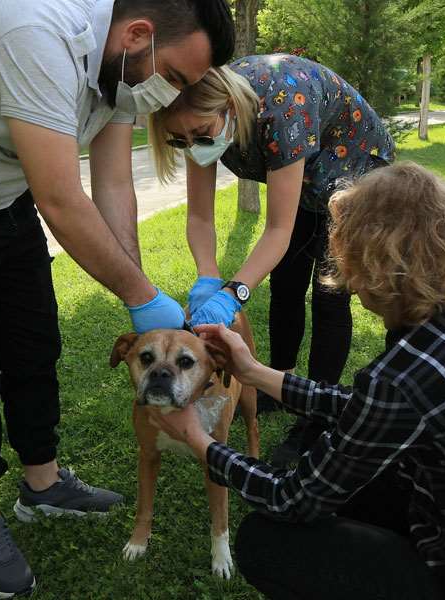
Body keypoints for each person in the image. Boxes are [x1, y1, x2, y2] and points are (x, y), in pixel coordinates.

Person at [0, 0, 234, 596]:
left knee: (35, 343)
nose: (172, 96)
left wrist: (139, 295)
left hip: (2, 194)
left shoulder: (121, 68)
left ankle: (43, 484)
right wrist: (143, 298)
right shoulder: (35, 29)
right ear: (139, 35)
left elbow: (111, 185)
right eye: (178, 78)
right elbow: (61, 199)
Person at [152, 162, 445, 599]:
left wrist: (199, 440)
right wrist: (256, 373)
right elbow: (370, 412)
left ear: (373, 266)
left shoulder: (406, 375)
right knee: (349, 474)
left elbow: (292, 498)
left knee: (266, 541)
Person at [148, 55, 395, 465]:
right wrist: (208, 276)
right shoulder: (195, 116)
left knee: (328, 297)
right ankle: (277, 384)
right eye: (179, 140)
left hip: (355, 173)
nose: (192, 145)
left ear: (229, 107)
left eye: (199, 134)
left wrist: (233, 293)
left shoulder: (282, 109)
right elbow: (199, 215)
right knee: (285, 283)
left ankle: (316, 420)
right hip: (306, 178)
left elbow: (277, 229)